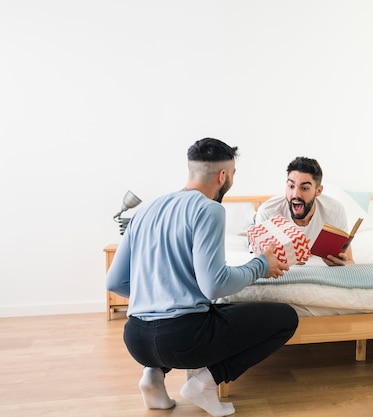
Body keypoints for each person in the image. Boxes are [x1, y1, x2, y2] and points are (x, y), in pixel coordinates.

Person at [106, 138, 298, 416]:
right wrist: (261, 264)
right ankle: (205, 382)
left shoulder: (145, 211)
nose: (231, 179)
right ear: (223, 176)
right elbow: (215, 285)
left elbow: (114, 282)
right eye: (233, 174)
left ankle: (153, 376)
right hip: (184, 341)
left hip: (136, 339)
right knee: (285, 319)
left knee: (212, 311)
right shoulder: (209, 209)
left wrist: (160, 295)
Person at [255, 156, 355, 266]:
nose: (296, 194)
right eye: (291, 186)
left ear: (318, 190)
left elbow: (349, 261)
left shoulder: (335, 210)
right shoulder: (268, 212)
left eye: (304, 188)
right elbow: (262, 263)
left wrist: (342, 264)